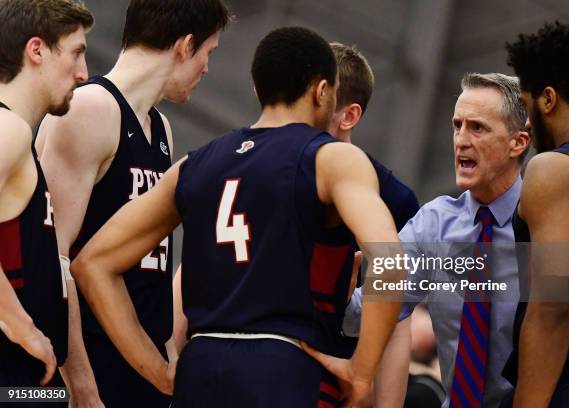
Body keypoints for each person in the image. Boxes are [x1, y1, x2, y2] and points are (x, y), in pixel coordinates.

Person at [71, 26, 403, 408]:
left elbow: (92, 263)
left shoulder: (193, 165)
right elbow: (391, 259)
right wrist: (362, 371)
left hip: (202, 365)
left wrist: (159, 372)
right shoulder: (332, 158)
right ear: (322, 90)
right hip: (286, 367)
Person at [35, 1, 231, 406]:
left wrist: (167, 357)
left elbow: (154, 270)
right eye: (208, 54)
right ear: (185, 46)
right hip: (88, 362)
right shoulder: (90, 108)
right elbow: (51, 259)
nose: (207, 69)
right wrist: (82, 385)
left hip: (140, 362)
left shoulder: (161, 128)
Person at [348, 72, 530, 407]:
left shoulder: (549, 223)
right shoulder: (433, 223)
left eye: (478, 127)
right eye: (457, 125)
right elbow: (366, 311)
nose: (461, 139)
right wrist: (341, 294)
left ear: (518, 142)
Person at [502, 22, 569, 407]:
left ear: (548, 99)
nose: (527, 122)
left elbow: (554, 305)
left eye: (525, 102)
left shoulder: (555, 169)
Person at [0, 0, 93, 393]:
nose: (83, 74)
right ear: (36, 50)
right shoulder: (10, 128)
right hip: (14, 377)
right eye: (75, 54)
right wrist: (26, 331)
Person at [327, 41, 419, 407]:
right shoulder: (276, 171)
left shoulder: (395, 200)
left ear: (348, 116)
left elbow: (398, 318)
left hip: (343, 378)